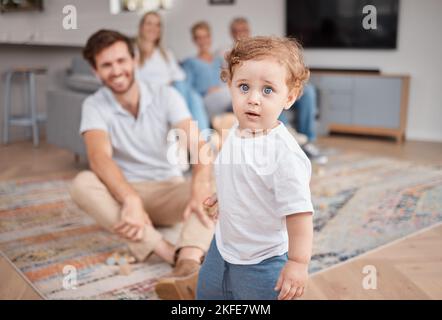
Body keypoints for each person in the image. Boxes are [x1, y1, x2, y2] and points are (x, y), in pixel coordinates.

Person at [69, 29, 214, 300]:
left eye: (121, 61)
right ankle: (170, 253)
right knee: (82, 184)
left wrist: (200, 185)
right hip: (125, 199)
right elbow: (99, 158)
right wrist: (130, 199)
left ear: (134, 60)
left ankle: (189, 261)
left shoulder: (166, 95)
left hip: (169, 191)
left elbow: (198, 146)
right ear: (95, 71)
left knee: (220, 177)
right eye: (106, 65)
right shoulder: (94, 105)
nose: (116, 70)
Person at [196, 36, 314, 300]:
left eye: (268, 90)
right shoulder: (237, 131)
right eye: (244, 87)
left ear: (290, 97)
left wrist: (297, 263)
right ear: (230, 86)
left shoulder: (284, 155)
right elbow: (239, 173)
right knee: (206, 294)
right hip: (222, 248)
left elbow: (300, 215)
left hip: (263, 261)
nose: (253, 99)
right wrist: (224, 195)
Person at [226, 17, 327, 164]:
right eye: (237, 31)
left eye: (244, 30)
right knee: (269, 102)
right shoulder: (226, 55)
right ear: (231, 33)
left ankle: (306, 140)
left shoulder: (262, 54)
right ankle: (292, 135)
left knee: (308, 91)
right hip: (234, 98)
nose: (241, 34)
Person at [136, 11, 210, 131]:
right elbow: (134, 81)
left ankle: (201, 141)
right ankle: (197, 139)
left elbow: (179, 76)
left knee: (193, 95)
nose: (153, 28)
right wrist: (164, 84)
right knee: (190, 95)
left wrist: (171, 83)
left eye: (157, 25)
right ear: (141, 27)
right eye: (149, 23)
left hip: (172, 93)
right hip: (151, 95)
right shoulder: (133, 53)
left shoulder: (166, 54)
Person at [182, 21, 232, 121]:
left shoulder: (219, 60)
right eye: (199, 38)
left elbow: (226, 79)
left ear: (210, 38)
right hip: (206, 100)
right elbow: (188, 90)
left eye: (206, 37)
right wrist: (205, 91)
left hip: (223, 95)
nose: (203, 41)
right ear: (194, 40)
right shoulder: (190, 62)